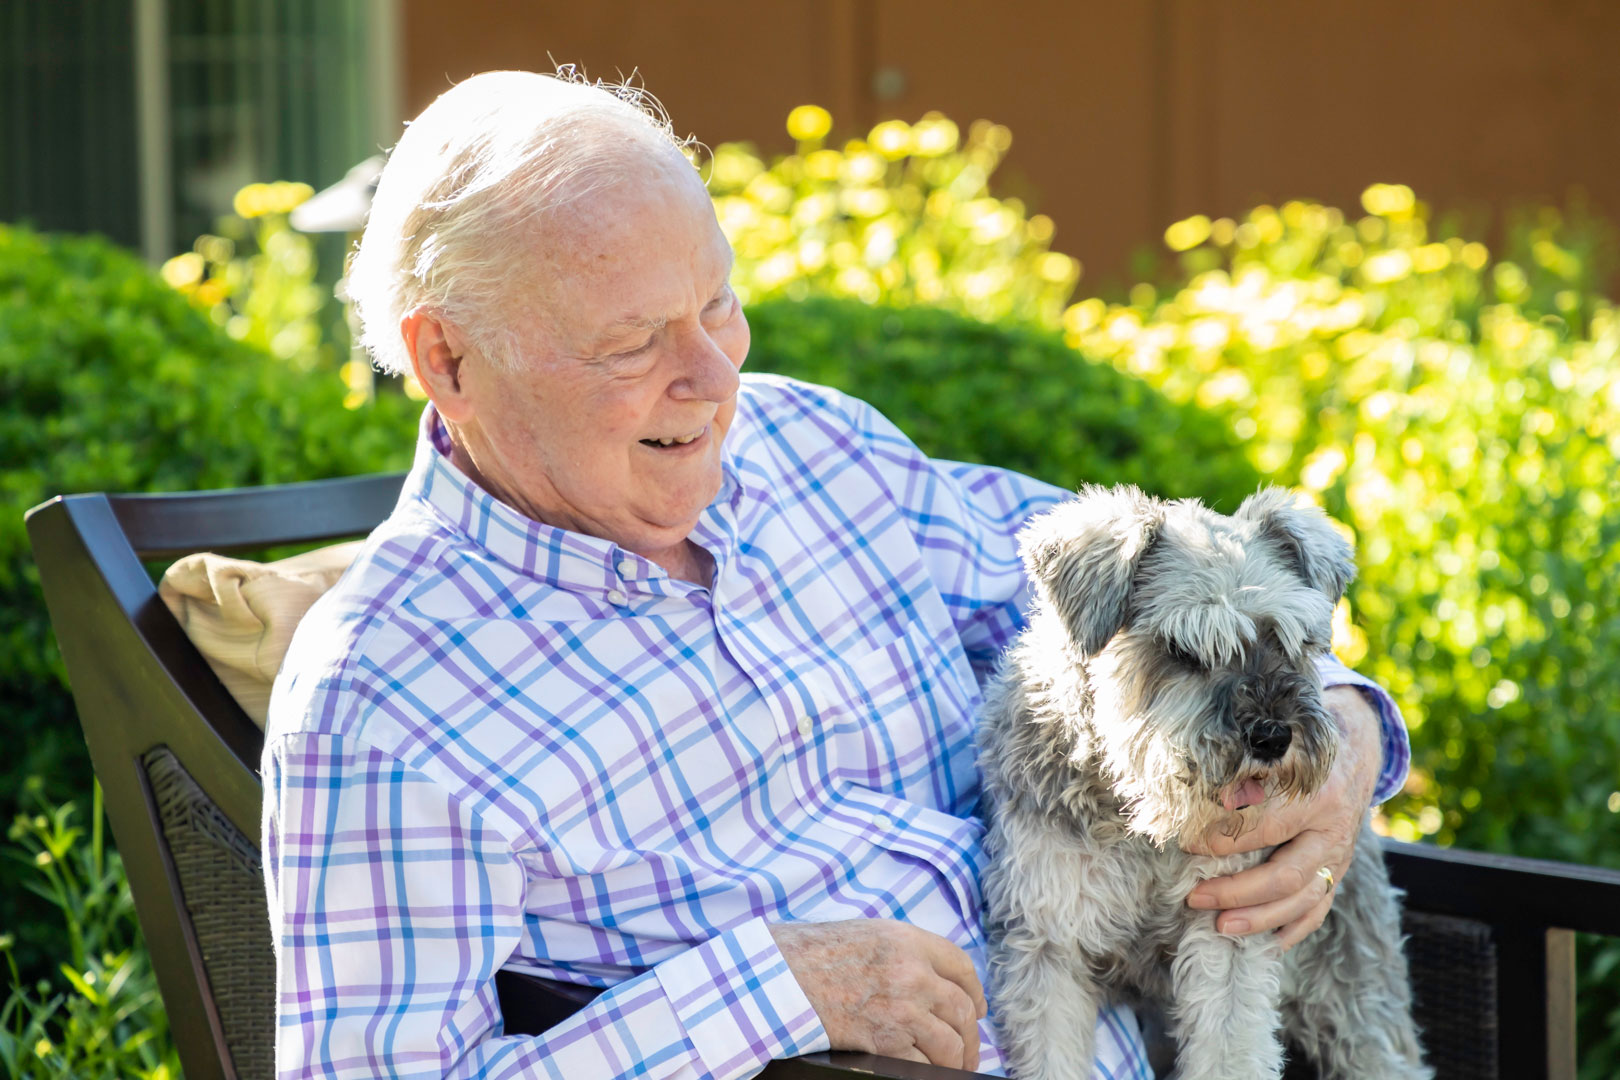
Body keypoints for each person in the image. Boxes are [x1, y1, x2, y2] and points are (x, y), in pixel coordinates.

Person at [262, 70, 1410, 1080]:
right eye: (633, 343)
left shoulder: (817, 445)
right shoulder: (381, 701)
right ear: (448, 359)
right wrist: (768, 996)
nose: (714, 378)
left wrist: (1345, 741)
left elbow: (1179, 601)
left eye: (718, 304)